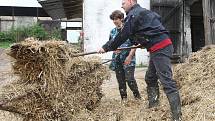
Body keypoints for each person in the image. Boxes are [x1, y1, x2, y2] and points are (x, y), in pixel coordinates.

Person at [98, 0, 182, 120]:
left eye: (123, 3)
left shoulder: (133, 15)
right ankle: (154, 106)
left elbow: (122, 35)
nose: (122, 6)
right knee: (150, 77)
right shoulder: (144, 12)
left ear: (131, 1)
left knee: (166, 81)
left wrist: (106, 47)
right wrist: (144, 41)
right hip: (157, 47)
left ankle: (177, 117)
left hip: (160, 47)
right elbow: (154, 23)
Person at [108, 10, 141, 101]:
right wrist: (114, 49)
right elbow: (111, 44)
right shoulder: (112, 32)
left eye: (116, 19)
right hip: (117, 60)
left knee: (129, 79)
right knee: (121, 81)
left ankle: (137, 97)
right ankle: (124, 99)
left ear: (122, 19)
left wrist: (130, 56)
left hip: (128, 59)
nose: (114, 21)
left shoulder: (128, 30)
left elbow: (135, 44)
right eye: (113, 20)